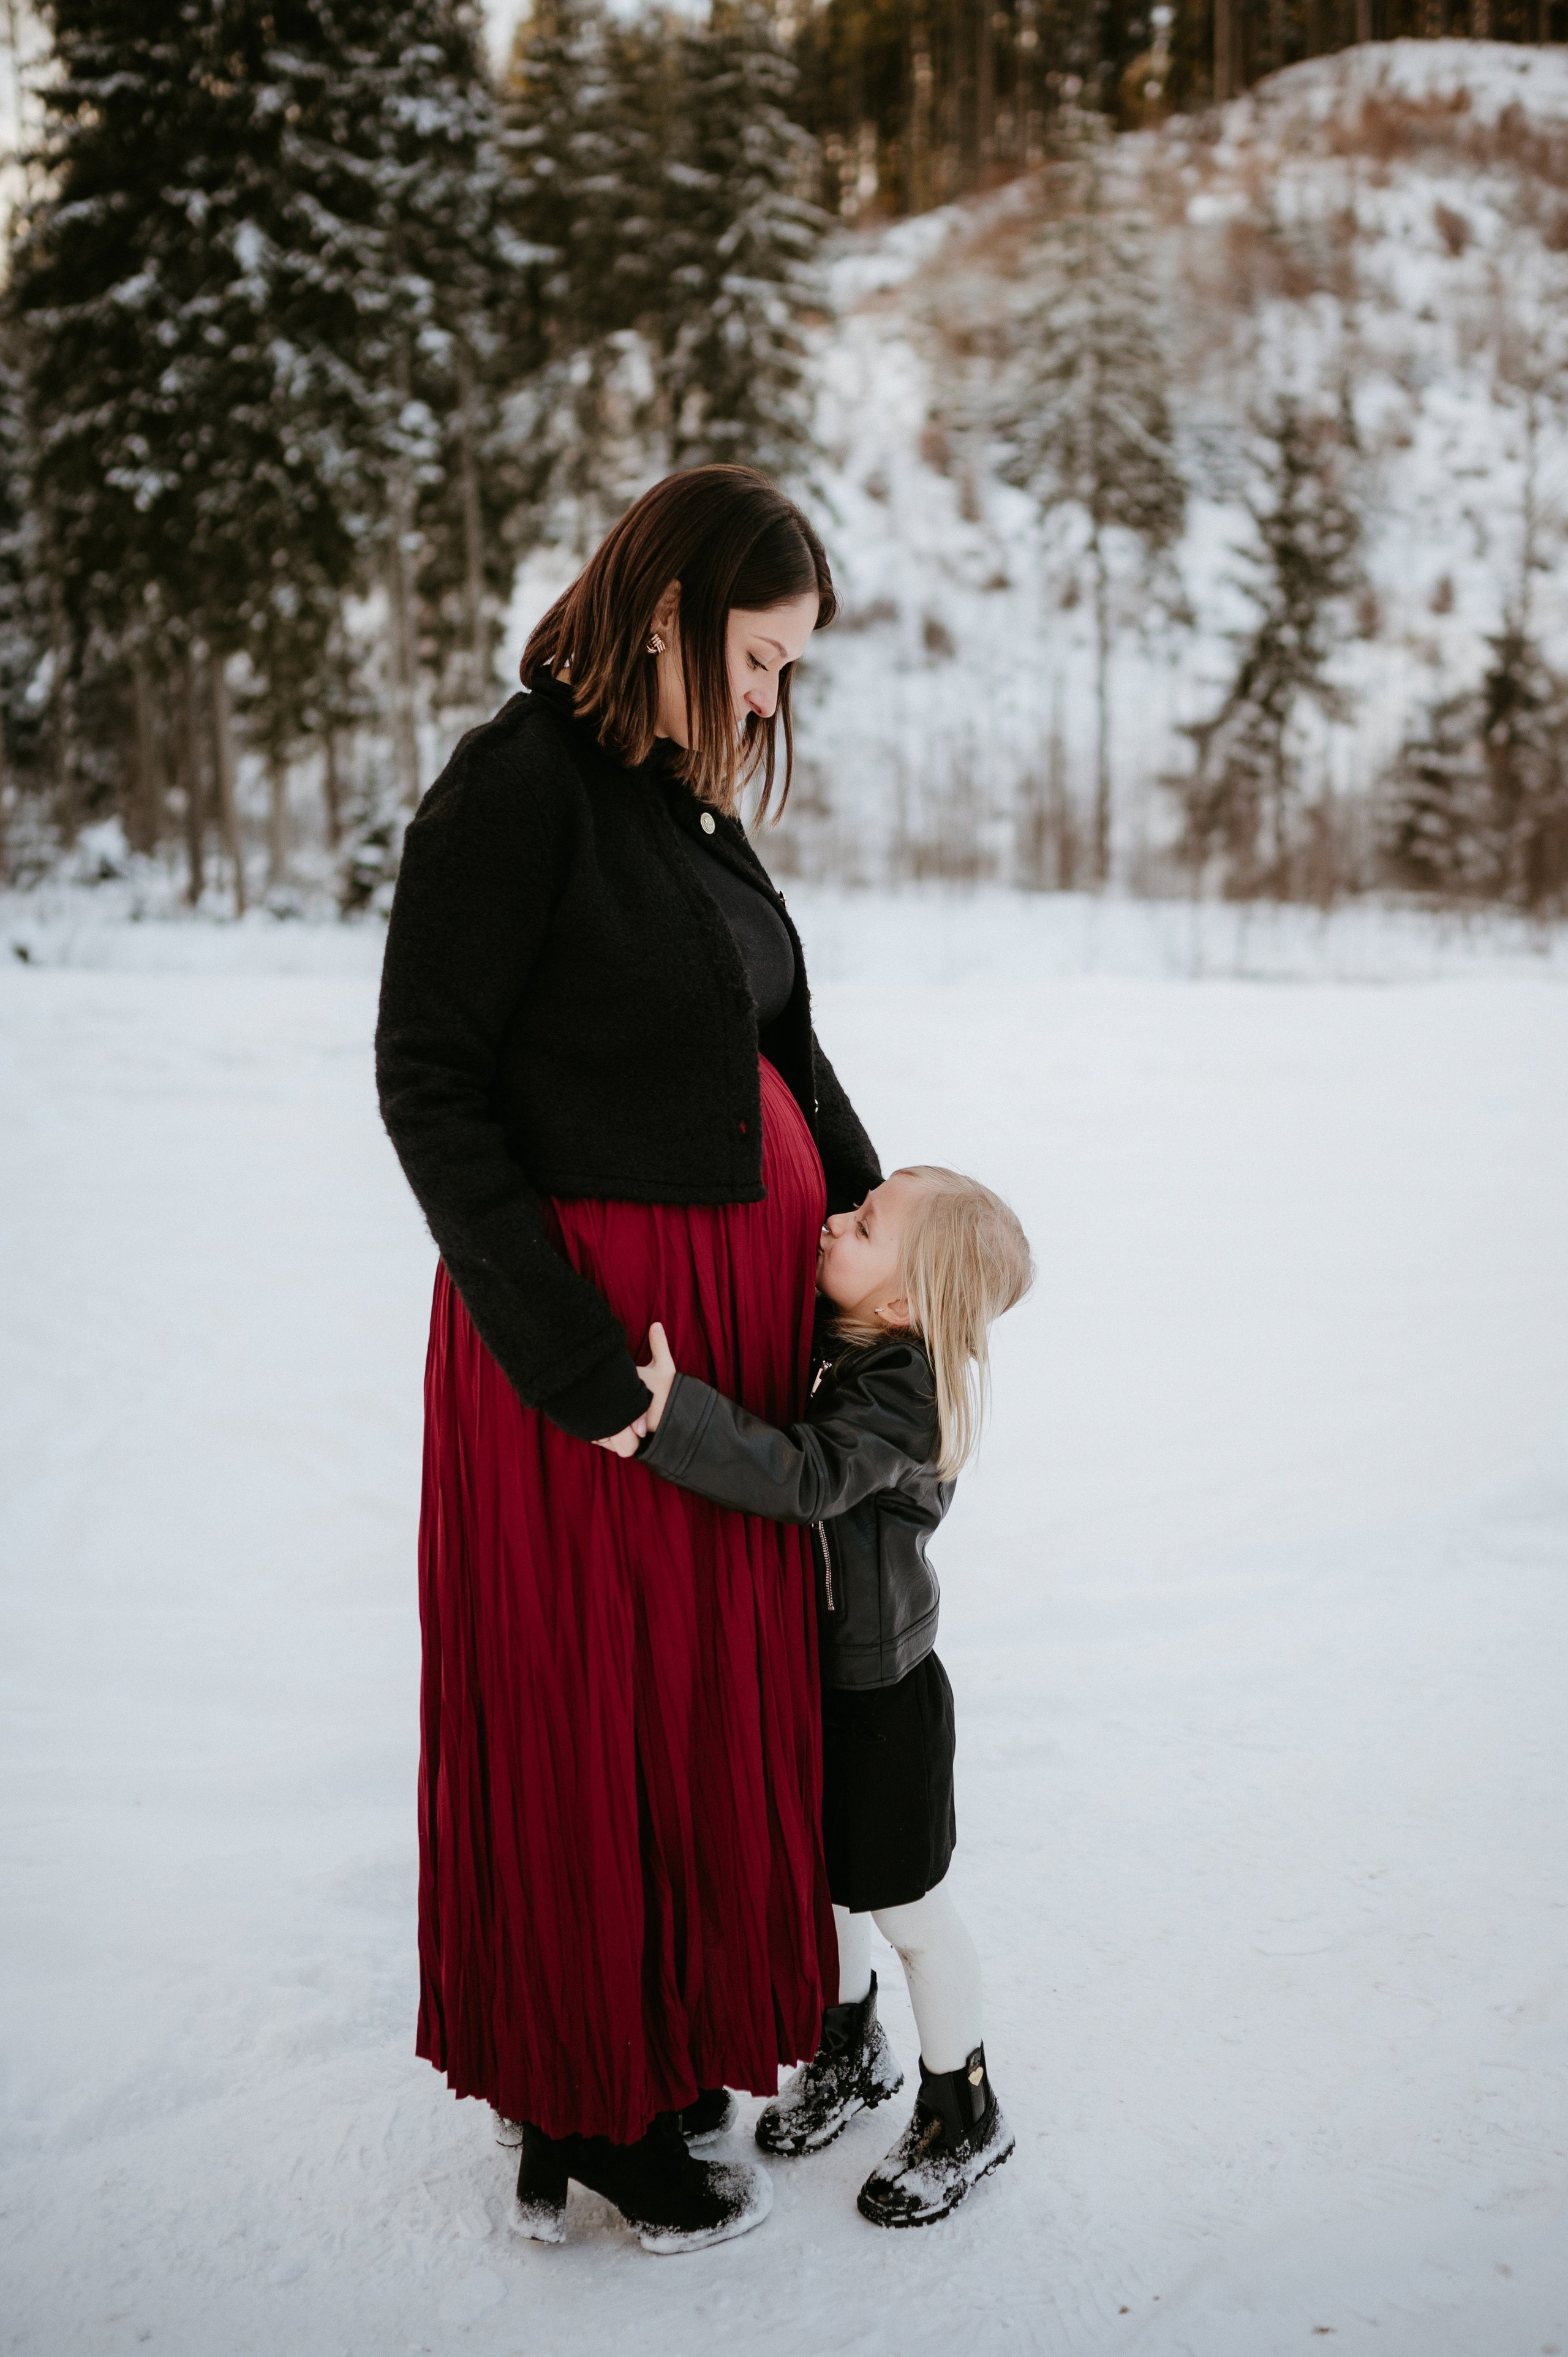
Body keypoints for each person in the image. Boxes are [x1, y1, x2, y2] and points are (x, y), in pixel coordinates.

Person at [374, 466, 883, 2255]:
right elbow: (428, 1086)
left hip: (711, 1370)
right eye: (759, 657)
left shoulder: (678, 807)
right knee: (586, 1714)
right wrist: (572, 1359)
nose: (768, 701)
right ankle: (590, 2105)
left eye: (788, 673)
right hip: (591, 1374)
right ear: (668, 613)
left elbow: (783, 1045)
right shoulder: (518, 791)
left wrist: (881, 1237)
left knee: (673, 1720)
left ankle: (613, 2061)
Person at [618, 1163, 1033, 2227]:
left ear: (900, 1305)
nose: (831, 1224)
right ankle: (849, 2048)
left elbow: (808, 1478)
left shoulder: (904, 1390)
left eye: (860, 1224)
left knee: (907, 1907)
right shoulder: (852, 1340)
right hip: (821, 1680)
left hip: (883, 1697)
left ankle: (964, 2104)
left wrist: (683, 1422)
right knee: (826, 1885)